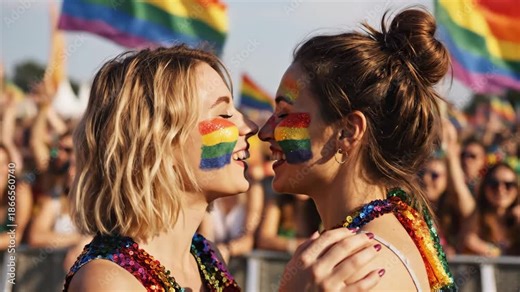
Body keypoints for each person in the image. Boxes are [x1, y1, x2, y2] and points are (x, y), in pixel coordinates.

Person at [64, 45, 382, 291]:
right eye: (225, 114)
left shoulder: (204, 257)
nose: (252, 126)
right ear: (159, 143)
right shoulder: (108, 281)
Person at [259, 8, 456, 291]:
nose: (265, 132)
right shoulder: (372, 238)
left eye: (284, 114)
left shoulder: (357, 270)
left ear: (348, 131)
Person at [463, 162, 520, 256]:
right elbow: (467, 242)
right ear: (485, 187)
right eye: (494, 184)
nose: (501, 189)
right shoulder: (478, 216)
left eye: (508, 185)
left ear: (517, 189)